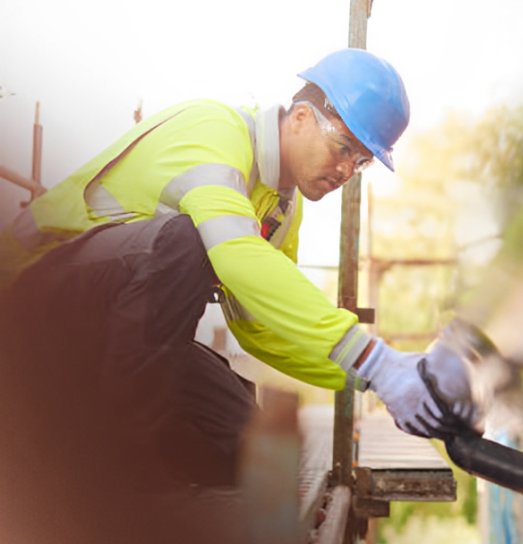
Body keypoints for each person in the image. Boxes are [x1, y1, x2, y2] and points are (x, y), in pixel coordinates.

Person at [0, 48, 474, 487]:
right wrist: (375, 357)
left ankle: (78, 428)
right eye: (344, 146)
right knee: (188, 241)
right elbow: (234, 254)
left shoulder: (281, 209)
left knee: (254, 448)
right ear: (303, 117)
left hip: (105, 334)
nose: (348, 170)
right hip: (32, 298)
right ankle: (108, 475)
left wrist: (384, 378)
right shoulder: (215, 131)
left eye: (363, 161)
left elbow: (261, 330)